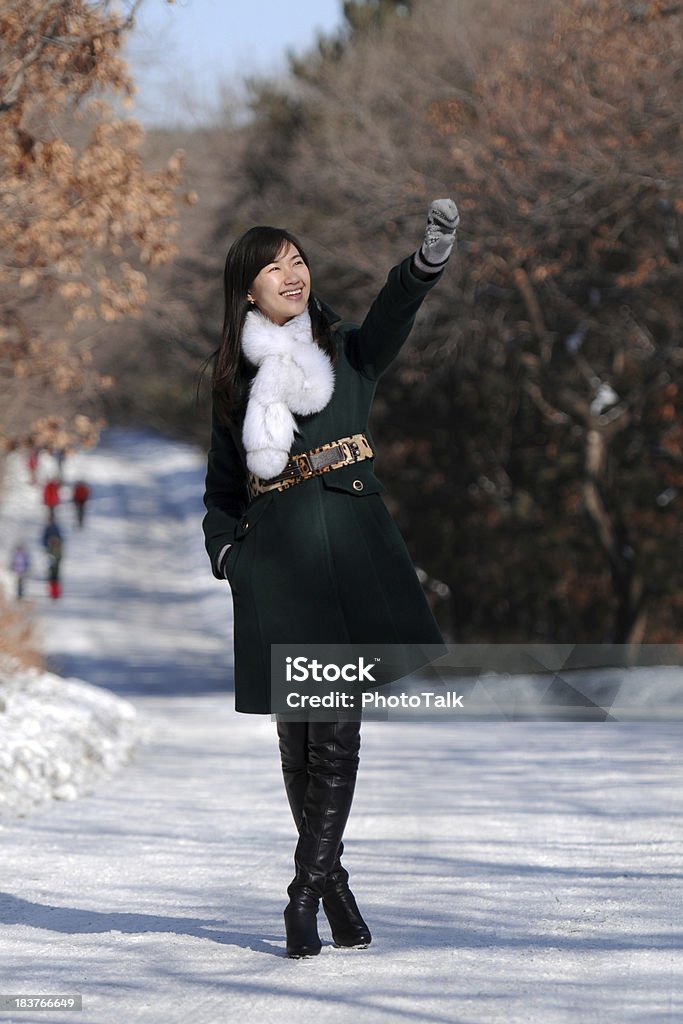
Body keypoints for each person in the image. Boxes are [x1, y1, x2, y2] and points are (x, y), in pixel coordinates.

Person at [203, 199, 459, 958]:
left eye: (296, 259)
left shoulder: (347, 349)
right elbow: (220, 489)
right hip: (273, 565)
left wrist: (424, 265)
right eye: (271, 266)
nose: (291, 272)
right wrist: (227, 557)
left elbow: (391, 316)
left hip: (345, 555)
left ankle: (305, 891)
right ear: (246, 290)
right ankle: (335, 890)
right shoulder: (229, 378)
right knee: (298, 739)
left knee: (335, 730)